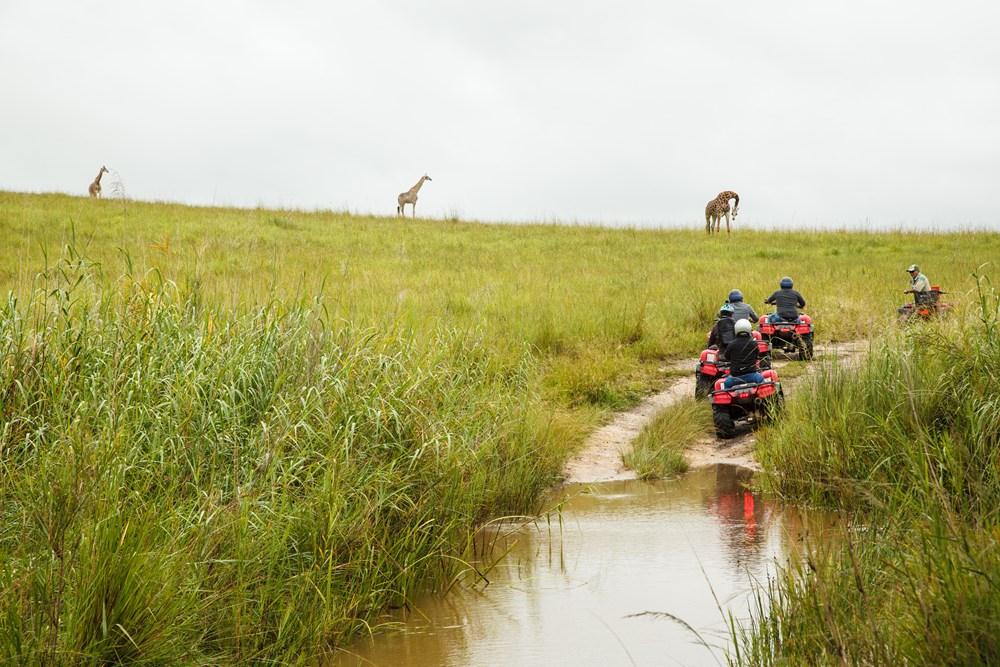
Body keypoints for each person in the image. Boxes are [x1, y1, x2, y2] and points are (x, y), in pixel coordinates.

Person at [723, 319, 764, 388]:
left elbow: (726, 357)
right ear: (749, 329)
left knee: (726, 384)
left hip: (735, 377)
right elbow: (757, 356)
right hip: (752, 376)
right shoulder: (753, 343)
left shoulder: (731, 344)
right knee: (763, 382)